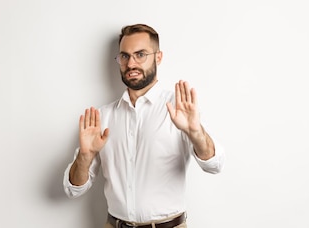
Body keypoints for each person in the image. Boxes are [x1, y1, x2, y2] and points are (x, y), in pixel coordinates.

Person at [63, 23, 225, 228]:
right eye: (124, 56)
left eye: (140, 54)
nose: (131, 63)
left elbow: (215, 165)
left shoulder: (179, 110)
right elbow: (73, 189)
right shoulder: (102, 117)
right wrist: (84, 157)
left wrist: (195, 132)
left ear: (158, 57)